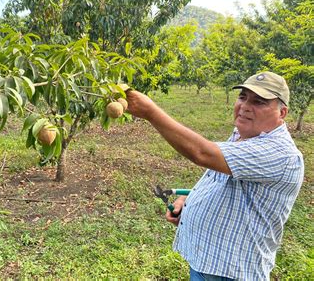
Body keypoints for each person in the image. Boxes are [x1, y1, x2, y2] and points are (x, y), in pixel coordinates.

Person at [125, 71, 304, 280]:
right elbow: (224, 179)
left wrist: (149, 111)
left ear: (282, 112)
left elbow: (202, 153)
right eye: (243, 97)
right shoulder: (243, 134)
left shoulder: (280, 153)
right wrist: (191, 198)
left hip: (232, 273)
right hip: (209, 262)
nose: (245, 106)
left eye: (259, 101)